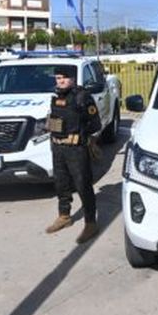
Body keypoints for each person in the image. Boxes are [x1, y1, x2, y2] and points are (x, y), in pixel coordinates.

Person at [45, 66, 102, 242]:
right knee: (61, 183)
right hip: (58, 147)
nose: (60, 81)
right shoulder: (57, 96)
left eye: (64, 77)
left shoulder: (82, 97)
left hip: (76, 149)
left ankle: (91, 223)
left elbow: (96, 124)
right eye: (57, 78)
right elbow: (54, 121)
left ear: (72, 78)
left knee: (83, 185)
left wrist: (81, 134)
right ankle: (64, 216)